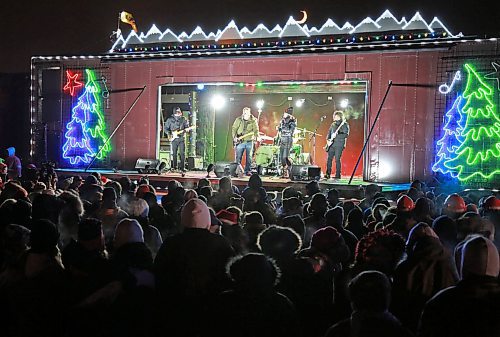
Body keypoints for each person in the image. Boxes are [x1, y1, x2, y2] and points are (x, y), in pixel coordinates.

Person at [231, 107, 259, 176]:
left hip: (249, 141)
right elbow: (234, 128)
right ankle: (236, 170)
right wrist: (234, 137)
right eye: (244, 112)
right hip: (240, 141)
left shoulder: (253, 120)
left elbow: (256, 130)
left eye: (247, 112)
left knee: (249, 157)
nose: (245, 114)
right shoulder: (238, 120)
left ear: (249, 113)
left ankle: (248, 171)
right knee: (238, 157)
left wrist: (256, 136)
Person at [164, 107, 189, 175]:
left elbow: (187, 127)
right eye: (177, 112)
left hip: (181, 138)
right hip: (174, 139)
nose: (178, 113)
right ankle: (174, 167)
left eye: (179, 111)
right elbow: (166, 128)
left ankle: (182, 168)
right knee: (174, 153)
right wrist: (169, 134)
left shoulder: (183, 119)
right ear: (174, 112)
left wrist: (186, 130)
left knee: (182, 153)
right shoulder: (170, 120)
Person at [324, 111, 349, 180]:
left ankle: (338, 174)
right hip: (332, 144)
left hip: (339, 145)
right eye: (334, 116)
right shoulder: (333, 124)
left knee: (337, 159)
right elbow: (329, 133)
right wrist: (328, 140)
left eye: (336, 116)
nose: (334, 117)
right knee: (329, 159)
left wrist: (337, 135)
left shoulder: (344, 124)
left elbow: (345, 135)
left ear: (340, 116)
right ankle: (327, 174)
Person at [277, 107, 296, 178]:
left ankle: (289, 170)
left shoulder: (292, 121)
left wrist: (283, 129)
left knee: (285, 157)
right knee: (282, 157)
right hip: (282, 140)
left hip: (288, 140)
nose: (283, 114)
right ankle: (284, 171)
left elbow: (291, 131)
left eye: (285, 113)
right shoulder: (282, 121)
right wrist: (279, 128)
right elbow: (279, 129)